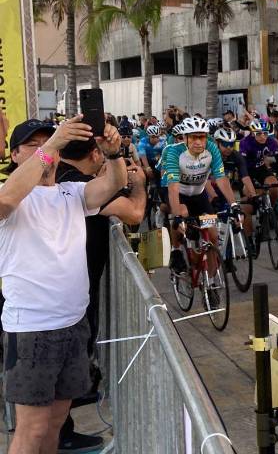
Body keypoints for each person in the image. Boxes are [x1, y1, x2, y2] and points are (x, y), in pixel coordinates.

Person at [0, 117, 127, 454]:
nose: (45, 148)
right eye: (34, 144)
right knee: (31, 430)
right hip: (30, 332)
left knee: (55, 424)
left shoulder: (71, 192)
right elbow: (7, 201)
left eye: (50, 141)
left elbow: (113, 184)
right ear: (14, 155)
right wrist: (52, 144)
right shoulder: (9, 195)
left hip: (73, 325)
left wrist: (113, 154)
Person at [55, 134, 147, 451]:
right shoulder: (77, 185)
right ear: (96, 154)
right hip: (71, 293)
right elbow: (135, 213)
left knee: (68, 360)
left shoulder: (56, 176)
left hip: (65, 289)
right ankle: (60, 434)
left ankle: (64, 417)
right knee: (67, 359)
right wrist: (139, 184)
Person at [164, 117, 239, 273]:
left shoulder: (212, 149)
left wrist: (234, 204)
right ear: (185, 138)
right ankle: (175, 250)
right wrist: (177, 216)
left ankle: (211, 282)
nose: (198, 142)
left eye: (202, 137)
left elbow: (221, 178)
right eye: (193, 137)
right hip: (179, 194)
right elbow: (172, 187)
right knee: (182, 213)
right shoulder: (174, 152)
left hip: (199, 196)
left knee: (212, 234)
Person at [240, 119, 278, 206]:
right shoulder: (245, 142)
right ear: (252, 133)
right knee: (248, 203)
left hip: (261, 169)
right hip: (247, 171)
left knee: (275, 188)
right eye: (259, 133)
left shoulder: (272, 142)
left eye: (265, 133)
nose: (263, 137)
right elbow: (243, 166)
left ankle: (270, 209)